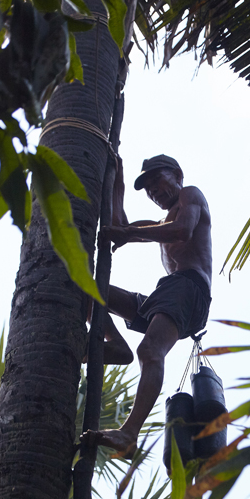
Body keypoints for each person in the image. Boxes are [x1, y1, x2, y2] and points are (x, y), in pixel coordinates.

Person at [86, 154, 212, 457]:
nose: (154, 190)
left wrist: (128, 233)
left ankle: (129, 434)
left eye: (157, 179)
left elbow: (182, 230)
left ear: (177, 174)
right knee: (88, 290)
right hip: (166, 293)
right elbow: (119, 226)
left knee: (151, 351)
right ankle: (115, 344)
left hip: (189, 287)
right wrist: (118, 178)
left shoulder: (190, 195)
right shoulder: (160, 222)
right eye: (148, 188)